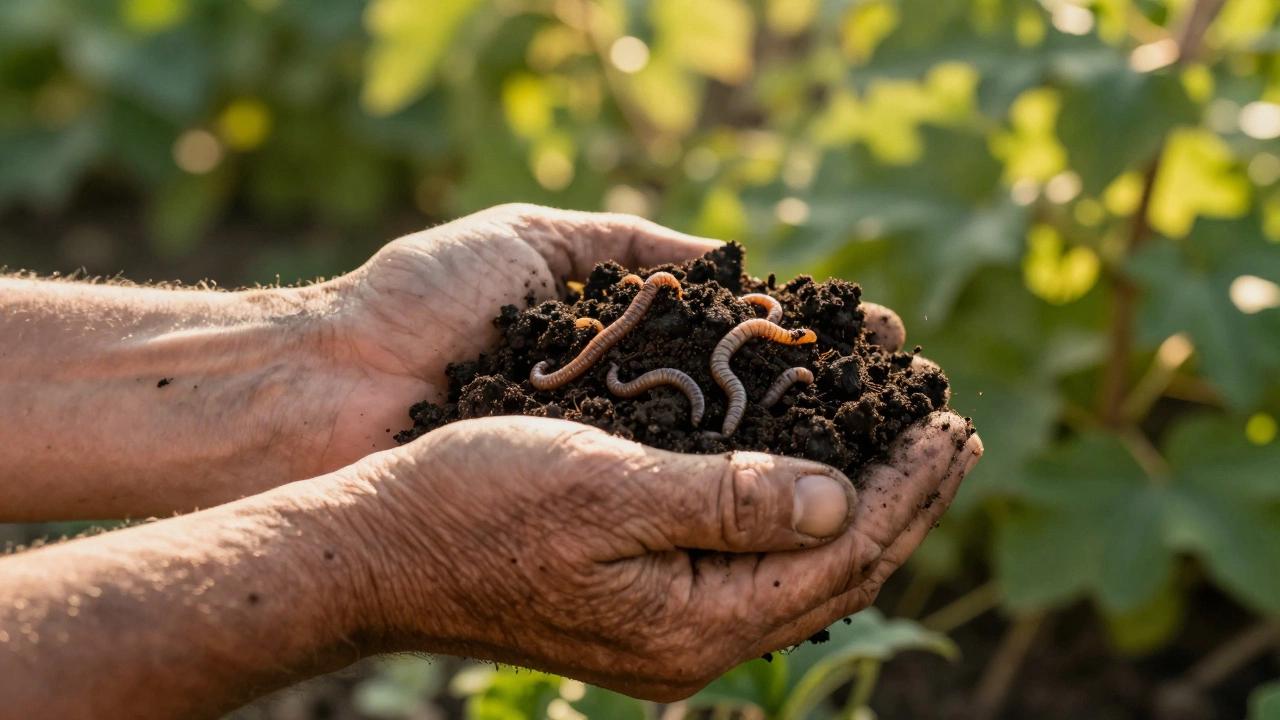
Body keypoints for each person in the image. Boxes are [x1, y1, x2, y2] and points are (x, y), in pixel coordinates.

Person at [0, 204, 982, 720]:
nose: (751, 335)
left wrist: (322, 353)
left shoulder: (712, 346)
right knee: (699, 397)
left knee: (705, 393)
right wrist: (372, 557)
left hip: (586, 372)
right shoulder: (657, 360)